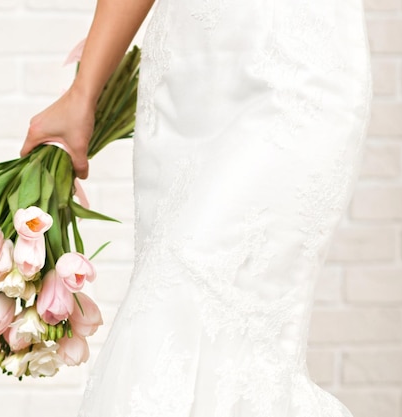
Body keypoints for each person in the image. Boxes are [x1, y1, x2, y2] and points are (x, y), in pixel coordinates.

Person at [22, 0, 372, 416]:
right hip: (186, 74)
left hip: (299, 71)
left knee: (188, 306)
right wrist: (83, 92)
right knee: (166, 320)